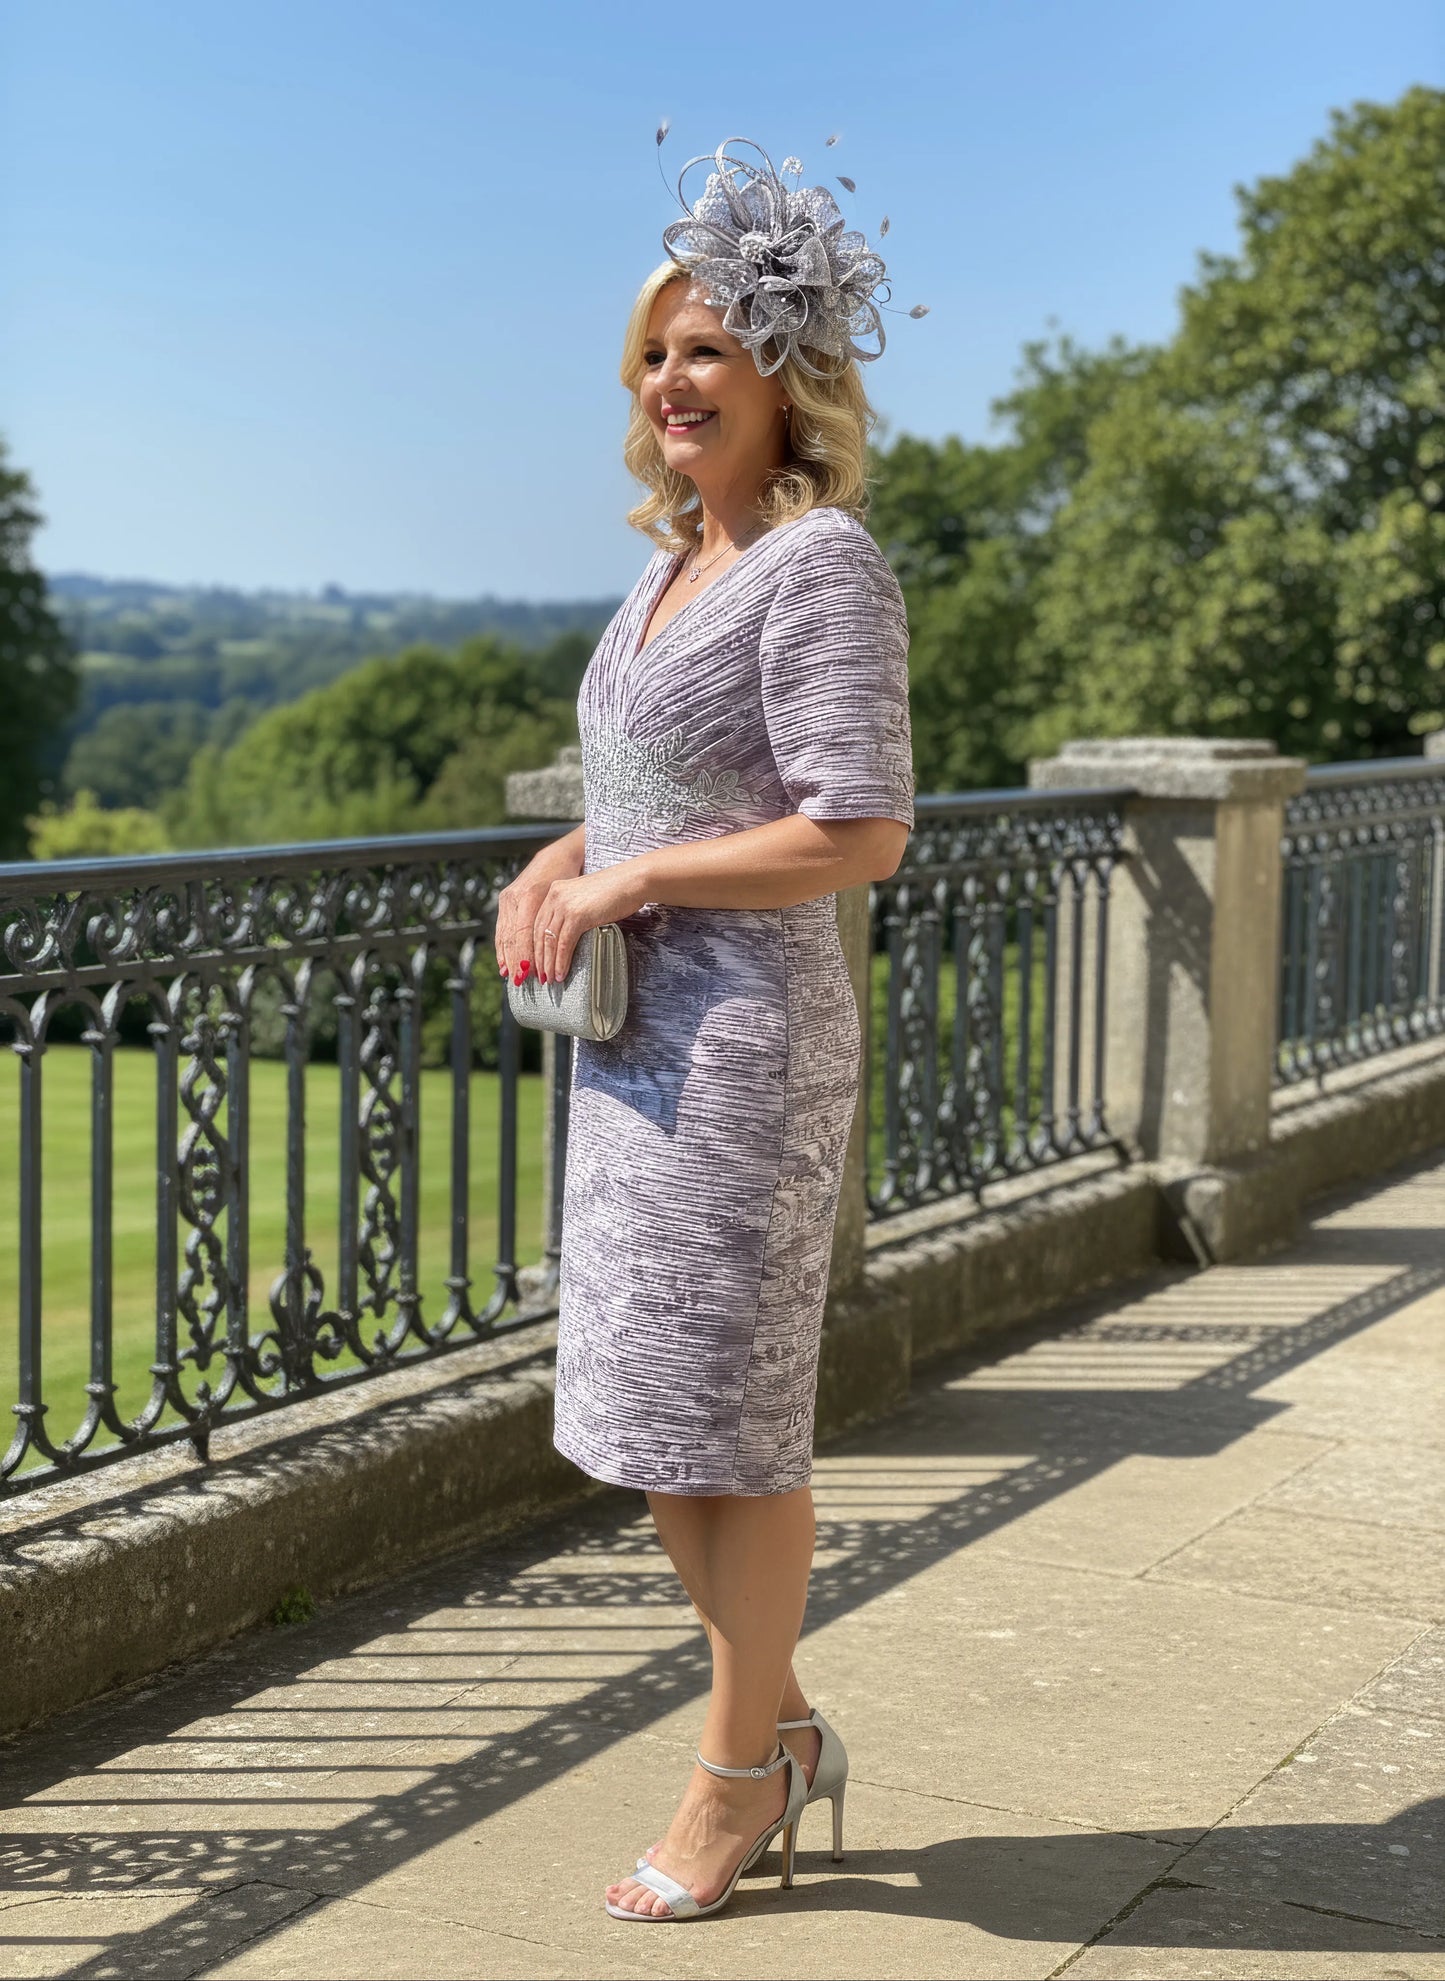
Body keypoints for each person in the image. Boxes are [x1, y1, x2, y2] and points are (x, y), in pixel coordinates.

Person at [491, 134, 922, 1923]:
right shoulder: (667, 567)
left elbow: (858, 824)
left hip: (740, 1051)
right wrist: (576, 848)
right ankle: (791, 1721)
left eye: (710, 349)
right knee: (654, 1417)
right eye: (655, 354)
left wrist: (628, 887)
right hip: (632, 1055)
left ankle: (735, 1772)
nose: (672, 381)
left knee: (730, 1429)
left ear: (785, 376)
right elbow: (665, 786)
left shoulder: (820, 567)